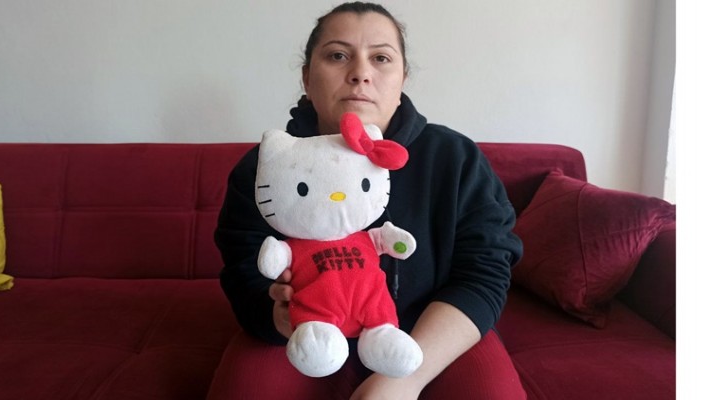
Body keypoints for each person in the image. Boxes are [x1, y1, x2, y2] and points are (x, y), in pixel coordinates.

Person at [213, 2, 525, 399]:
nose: (360, 73)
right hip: (307, 334)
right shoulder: (265, 167)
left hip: (430, 332)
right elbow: (243, 274)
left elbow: (485, 273)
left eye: (381, 58)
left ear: (403, 77)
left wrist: (403, 381)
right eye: (337, 55)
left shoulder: (455, 157)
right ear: (307, 77)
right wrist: (276, 316)